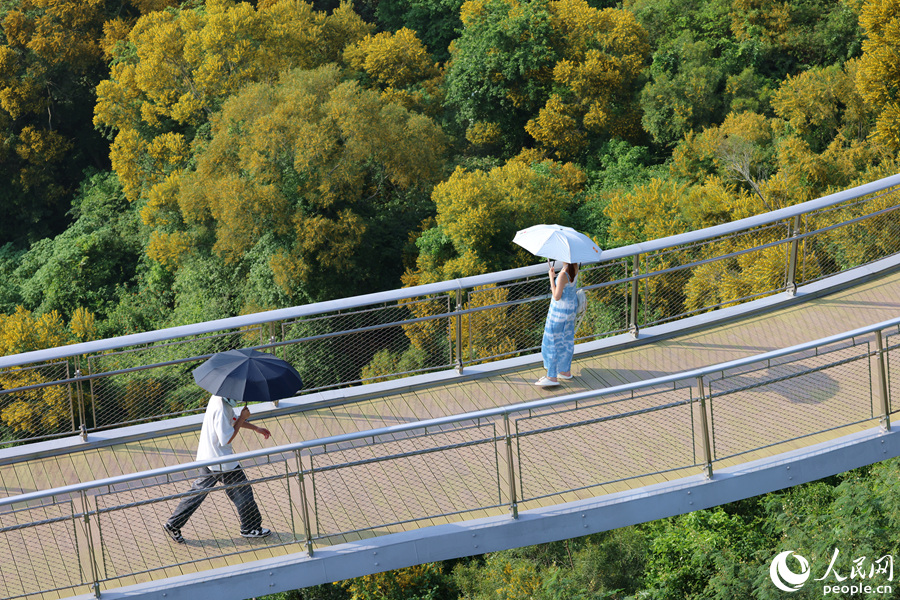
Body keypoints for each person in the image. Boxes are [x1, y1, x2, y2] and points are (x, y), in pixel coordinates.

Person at [164, 395, 272, 543]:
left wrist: (256, 428)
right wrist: (242, 418)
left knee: (198, 492)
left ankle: (173, 524)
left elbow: (231, 420)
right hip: (222, 462)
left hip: (208, 456)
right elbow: (225, 438)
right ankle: (251, 527)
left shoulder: (217, 398)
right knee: (243, 493)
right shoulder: (222, 408)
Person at [536, 261, 579, 387]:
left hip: (559, 313)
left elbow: (556, 296)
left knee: (551, 342)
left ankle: (551, 376)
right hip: (570, 311)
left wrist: (551, 277)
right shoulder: (575, 267)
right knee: (566, 340)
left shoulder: (563, 275)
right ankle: (565, 371)